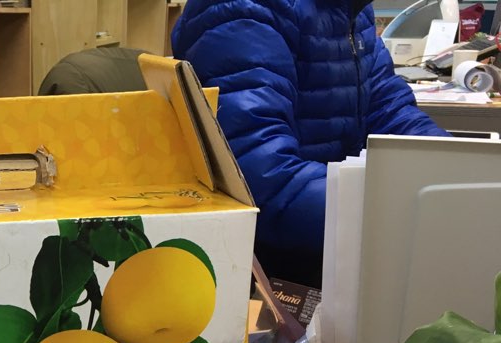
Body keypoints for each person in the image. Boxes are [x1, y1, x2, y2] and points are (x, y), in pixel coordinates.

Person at [172, 0, 449, 288]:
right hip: (269, 269)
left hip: (331, 241)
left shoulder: (349, 9)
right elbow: (261, 180)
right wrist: (399, 211)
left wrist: (458, 170)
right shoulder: (245, 9)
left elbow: (388, 108)